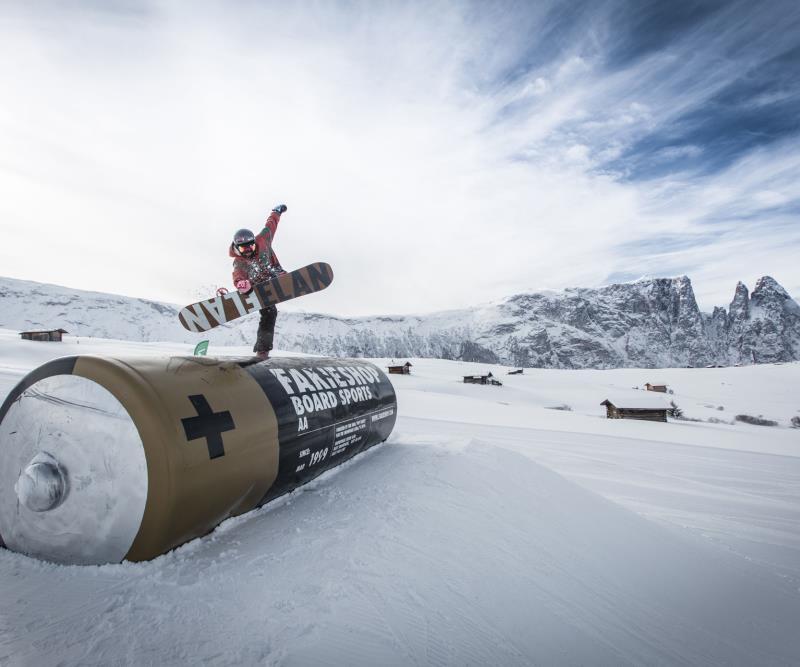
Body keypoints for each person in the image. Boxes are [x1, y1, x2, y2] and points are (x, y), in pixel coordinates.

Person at [230, 204, 288, 359]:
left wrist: (276, 212)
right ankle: (262, 350)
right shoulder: (239, 261)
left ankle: (280, 277)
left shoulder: (263, 239)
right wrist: (241, 283)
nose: (248, 251)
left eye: (250, 246)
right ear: (237, 248)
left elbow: (271, 225)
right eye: (243, 249)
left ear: (254, 242)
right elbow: (238, 273)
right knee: (270, 312)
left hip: (273, 273)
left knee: (272, 310)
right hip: (255, 287)